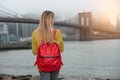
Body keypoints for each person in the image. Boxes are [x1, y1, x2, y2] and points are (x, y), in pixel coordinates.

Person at [31, 10, 64, 80]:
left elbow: (34, 52)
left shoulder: (35, 33)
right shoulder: (57, 32)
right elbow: (61, 49)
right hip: (55, 63)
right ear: (51, 20)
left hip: (42, 64)